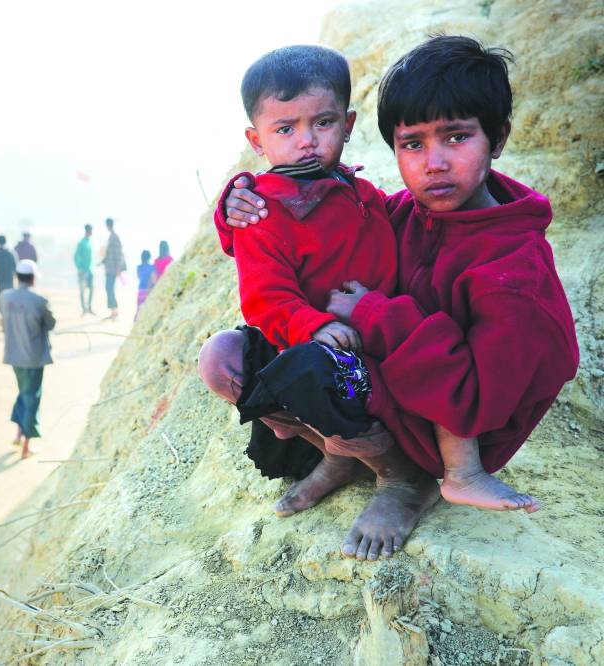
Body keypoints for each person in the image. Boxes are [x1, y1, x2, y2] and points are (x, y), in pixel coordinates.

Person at [203, 36, 579, 561]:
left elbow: (475, 401)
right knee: (225, 357)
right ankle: (341, 452)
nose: (435, 163)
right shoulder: (400, 211)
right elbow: (313, 230)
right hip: (387, 390)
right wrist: (238, 208)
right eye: (413, 144)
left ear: (497, 139)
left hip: (453, 437)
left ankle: (405, 480)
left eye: (456, 137)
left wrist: (376, 315)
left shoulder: (512, 271)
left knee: (309, 370)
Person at [1, 259, 56, 459]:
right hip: (33, 358)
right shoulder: (39, 301)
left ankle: (18, 432)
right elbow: (51, 323)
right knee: (32, 397)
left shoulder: (5, 297)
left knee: (23, 392)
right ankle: (26, 445)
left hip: (14, 357)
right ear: (33, 278)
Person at [100, 217, 126, 320]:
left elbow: (118, 254)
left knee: (109, 288)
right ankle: (113, 311)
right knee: (109, 288)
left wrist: (118, 268)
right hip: (110, 268)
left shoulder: (114, 237)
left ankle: (114, 311)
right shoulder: (111, 237)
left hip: (113, 269)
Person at [74, 223, 95, 316]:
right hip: (83, 271)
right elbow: (76, 256)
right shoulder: (82, 243)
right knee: (82, 291)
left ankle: (89, 307)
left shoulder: (89, 243)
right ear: (88, 231)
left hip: (90, 270)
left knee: (91, 289)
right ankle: (84, 309)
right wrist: (80, 268)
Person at [134, 249, 157, 320]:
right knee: (147, 308)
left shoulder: (139, 267)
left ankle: (136, 322)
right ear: (149, 257)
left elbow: (138, 277)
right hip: (148, 290)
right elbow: (154, 280)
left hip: (141, 289)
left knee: (139, 307)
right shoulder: (152, 267)